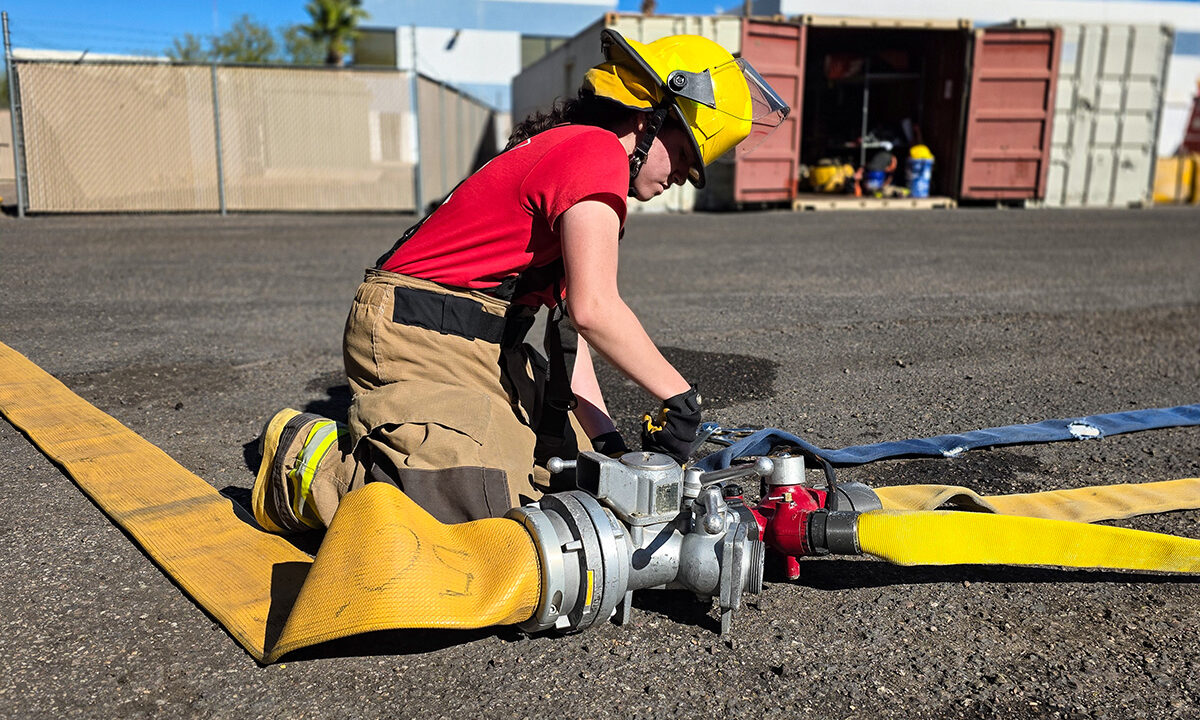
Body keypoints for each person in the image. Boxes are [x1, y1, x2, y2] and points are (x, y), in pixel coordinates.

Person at [252, 29, 789, 530]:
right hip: (416, 330)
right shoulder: (596, 151)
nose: (687, 175)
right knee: (482, 502)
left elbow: (569, 337)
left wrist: (607, 443)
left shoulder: (576, 155)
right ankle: (310, 459)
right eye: (688, 152)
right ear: (649, 120)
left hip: (477, 338)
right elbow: (596, 308)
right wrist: (681, 397)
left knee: (569, 476)